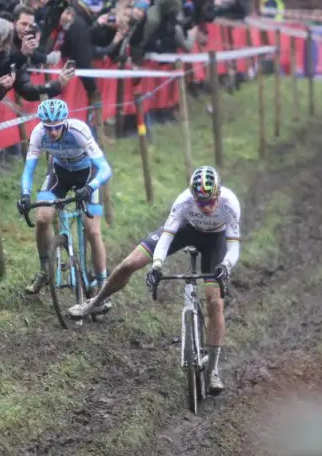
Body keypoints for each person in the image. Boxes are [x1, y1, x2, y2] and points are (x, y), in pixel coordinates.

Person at [68, 166, 241, 395]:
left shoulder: (230, 204)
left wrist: (225, 266)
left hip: (215, 243)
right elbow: (167, 237)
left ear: (218, 194)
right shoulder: (184, 201)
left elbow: (233, 246)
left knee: (214, 301)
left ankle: (213, 371)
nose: (206, 208)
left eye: (210, 202)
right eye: (200, 203)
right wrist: (157, 265)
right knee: (129, 263)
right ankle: (96, 301)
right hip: (186, 230)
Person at [18, 99, 112, 296]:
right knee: (42, 218)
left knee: (93, 232)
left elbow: (105, 169)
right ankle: (45, 270)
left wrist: (90, 187)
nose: (52, 132)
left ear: (64, 122)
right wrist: (25, 195)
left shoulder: (79, 130)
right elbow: (29, 170)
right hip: (59, 174)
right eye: (48, 128)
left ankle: (103, 287)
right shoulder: (37, 133)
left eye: (57, 128)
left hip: (87, 175)